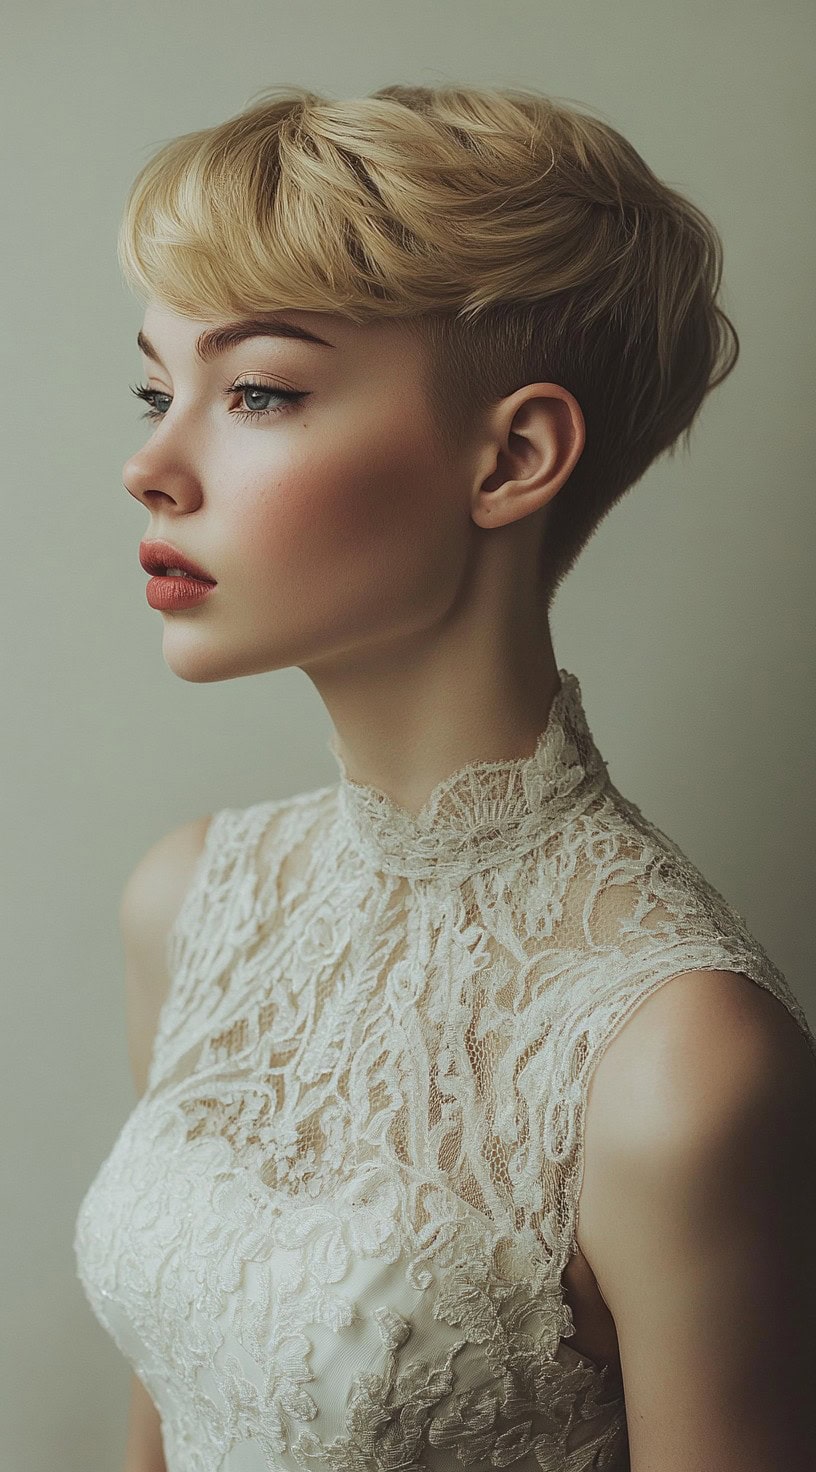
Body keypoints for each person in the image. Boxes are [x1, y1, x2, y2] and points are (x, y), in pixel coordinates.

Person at [73, 83, 816, 1472]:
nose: (150, 465)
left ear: (514, 456)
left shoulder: (678, 1060)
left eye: (257, 391)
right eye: (156, 387)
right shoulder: (190, 905)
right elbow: (166, 1405)